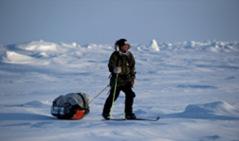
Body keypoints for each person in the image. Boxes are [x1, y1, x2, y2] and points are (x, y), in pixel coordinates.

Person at [102, 38, 136, 120]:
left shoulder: (129, 55)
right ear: (120, 46)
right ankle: (106, 113)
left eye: (127, 46)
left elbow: (132, 68)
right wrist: (114, 69)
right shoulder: (115, 55)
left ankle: (128, 114)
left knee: (130, 95)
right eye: (124, 46)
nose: (126, 47)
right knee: (113, 97)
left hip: (126, 81)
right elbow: (110, 65)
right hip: (117, 80)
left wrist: (132, 79)